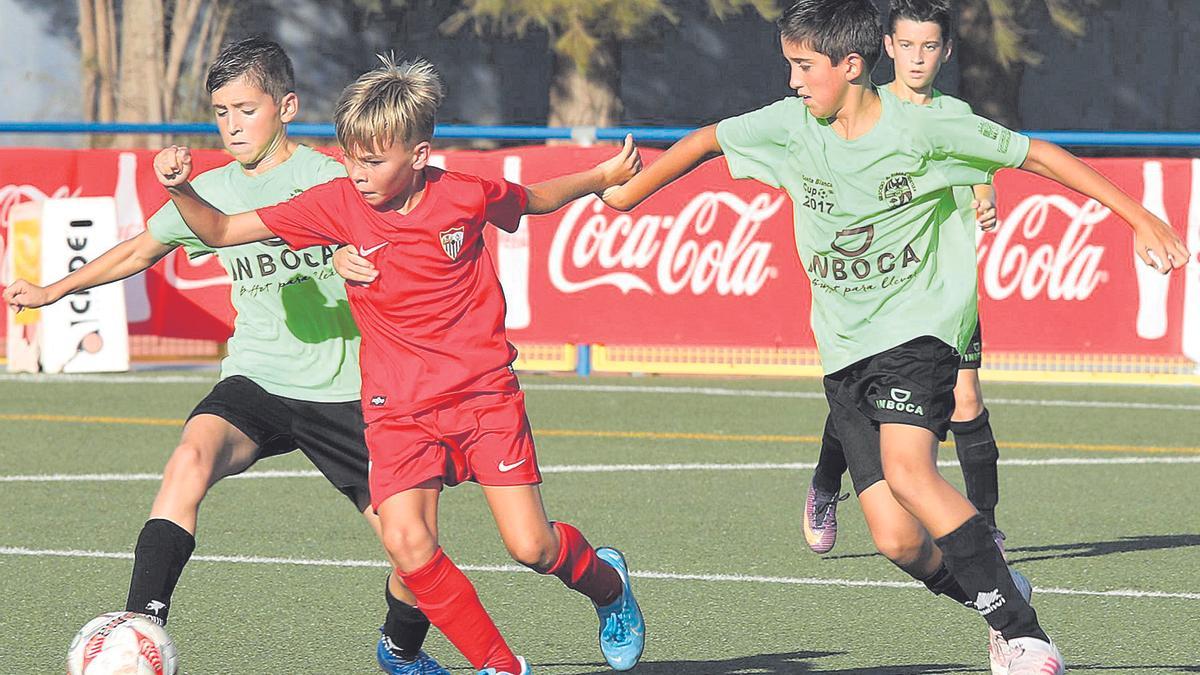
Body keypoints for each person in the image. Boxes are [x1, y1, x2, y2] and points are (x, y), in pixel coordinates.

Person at [601, 1, 1187, 672]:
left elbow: (1037, 156)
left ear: (850, 65)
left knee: (911, 472)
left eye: (803, 67)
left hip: (921, 332)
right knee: (896, 540)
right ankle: (994, 590)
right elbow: (708, 139)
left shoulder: (927, 127)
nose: (793, 82)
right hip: (844, 350)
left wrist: (1138, 216)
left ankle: (1024, 633)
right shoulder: (790, 128)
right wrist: (630, 193)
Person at [150, 55, 647, 675]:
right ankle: (498, 665)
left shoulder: (463, 195)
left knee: (531, 546)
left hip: (482, 395)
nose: (356, 174)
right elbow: (222, 230)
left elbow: (537, 199)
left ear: (418, 155)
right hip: (397, 406)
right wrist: (180, 189)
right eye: (350, 157)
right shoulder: (335, 201)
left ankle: (608, 586)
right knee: (407, 543)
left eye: (373, 161)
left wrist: (599, 176)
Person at [3, 37, 448, 675]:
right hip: (257, 380)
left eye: (246, 109)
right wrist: (51, 290)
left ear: (286, 106)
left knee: (415, 550)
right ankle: (140, 632)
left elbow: (406, 243)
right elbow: (136, 251)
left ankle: (400, 647)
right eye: (220, 112)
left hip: (350, 387)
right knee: (188, 459)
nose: (233, 125)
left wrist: (362, 268)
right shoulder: (208, 191)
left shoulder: (333, 179)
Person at [804, 0, 1007, 563]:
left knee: (967, 399)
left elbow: (981, 173)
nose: (918, 58)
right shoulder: (860, 107)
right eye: (907, 45)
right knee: (859, 403)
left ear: (945, 51)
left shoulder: (955, 114)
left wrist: (984, 200)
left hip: (939, 297)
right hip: (869, 299)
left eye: (930, 46)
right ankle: (826, 483)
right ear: (887, 48)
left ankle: (984, 527)